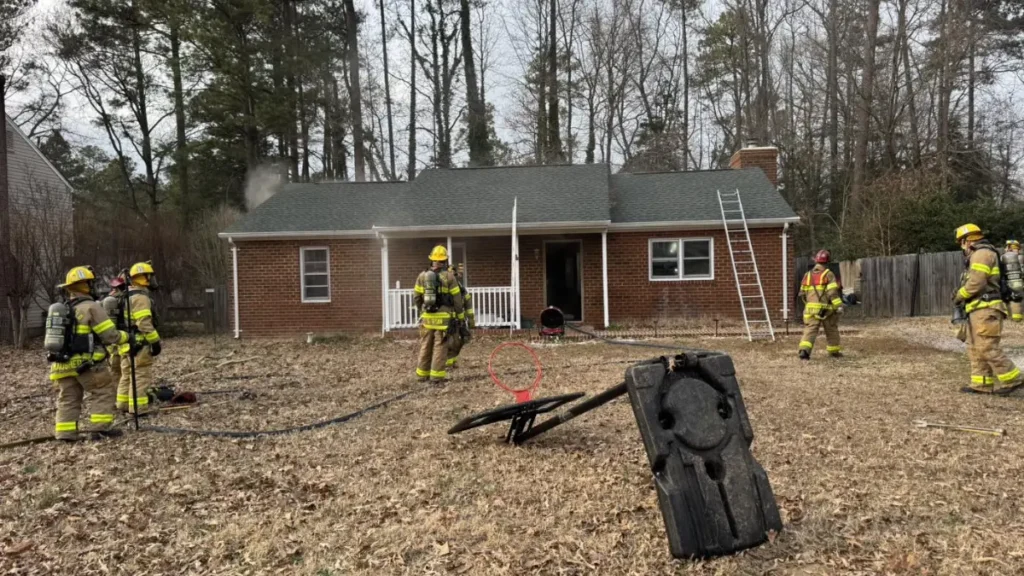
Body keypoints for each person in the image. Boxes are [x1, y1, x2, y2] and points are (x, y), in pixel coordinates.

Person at [47, 266, 130, 441]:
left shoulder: (63, 308)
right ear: (85, 285)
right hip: (87, 365)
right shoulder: (92, 307)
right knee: (103, 391)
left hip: (61, 365)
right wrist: (127, 337)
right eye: (91, 283)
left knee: (68, 398)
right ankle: (100, 429)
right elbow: (110, 335)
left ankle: (65, 433)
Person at [954, 224, 1022, 395]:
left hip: (986, 308)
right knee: (975, 348)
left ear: (967, 240)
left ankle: (1014, 379)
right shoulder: (978, 253)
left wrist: (959, 295)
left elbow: (976, 283)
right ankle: (981, 384)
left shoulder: (982, 254)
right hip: (978, 308)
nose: (962, 247)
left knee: (986, 346)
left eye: (961, 242)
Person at [413, 246, 464, 382]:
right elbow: (457, 300)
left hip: (427, 318)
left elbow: (417, 297)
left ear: (432, 260)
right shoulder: (449, 277)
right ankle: (436, 377)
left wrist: (422, 310)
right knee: (440, 346)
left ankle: (422, 375)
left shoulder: (422, 276)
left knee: (425, 345)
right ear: (445, 260)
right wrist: (460, 316)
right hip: (443, 319)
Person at [117, 261, 162, 414]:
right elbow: (144, 323)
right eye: (149, 276)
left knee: (127, 376)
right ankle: (139, 409)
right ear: (144, 277)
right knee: (140, 376)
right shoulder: (141, 298)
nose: (152, 279)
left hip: (126, 345)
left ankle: (123, 404)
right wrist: (155, 342)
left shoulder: (126, 295)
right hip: (139, 345)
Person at [798, 249, 843, 360]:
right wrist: (838, 306)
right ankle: (834, 352)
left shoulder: (807, 275)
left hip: (809, 309)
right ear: (828, 261)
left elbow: (802, 293)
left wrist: (809, 304)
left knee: (810, 329)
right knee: (831, 329)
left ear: (816, 261)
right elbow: (832, 293)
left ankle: (804, 351)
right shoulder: (828, 274)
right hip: (826, 310)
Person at [101, 274, 127, 403]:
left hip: (113, 341)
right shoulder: (127, 299)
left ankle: (116, 395)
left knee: (115, 370)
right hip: (124, 339)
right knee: (125, 371)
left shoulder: (110, 299)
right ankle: (124, 397)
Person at [446, 263, 474, 368]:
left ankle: (452, 360)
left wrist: (470, 318)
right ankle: (447, 362)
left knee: (461, 340)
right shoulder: (443, 289)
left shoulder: (461, 288)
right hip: (446, 319)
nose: (452, 278)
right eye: (450, 276)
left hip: (458, 319)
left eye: (454, 275)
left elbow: (468, 303)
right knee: (448, 342)